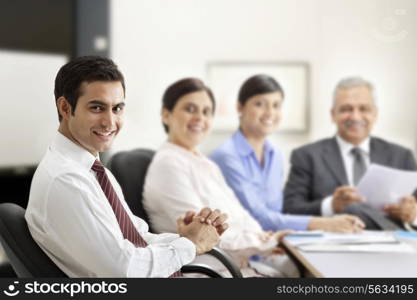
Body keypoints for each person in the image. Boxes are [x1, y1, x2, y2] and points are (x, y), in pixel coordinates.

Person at [25, 56, 228, 278]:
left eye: (117, 108)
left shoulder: (92, 171)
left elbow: (138, 237)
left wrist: (186, 238)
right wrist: (190, 245)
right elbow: (125, 269)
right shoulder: (65, 180)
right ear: (65, 107)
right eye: (97, 108)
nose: (110, 122)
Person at [143, 77, 298, 278]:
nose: (200, 118)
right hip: (210, 271)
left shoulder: (205, 164)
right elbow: (203, 234)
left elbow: (240, 215)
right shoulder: (169, 163)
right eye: (190, 109)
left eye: (206, 112)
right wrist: (264, 241)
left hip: (236, 266)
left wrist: (263, 238)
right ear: (166, 114)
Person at [210, 74, 364, 233]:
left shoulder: (275, 154)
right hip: (241, 251)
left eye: (276, 105)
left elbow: (278, 212)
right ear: (240, 108)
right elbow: (257, 217)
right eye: (260, 104)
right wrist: (324, 223)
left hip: (273, 246)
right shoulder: (226, 157)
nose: (270, 112)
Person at [283, 76, 417, 230]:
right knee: (353, 209)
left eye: (364, 109)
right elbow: (290, 209)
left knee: (355, 209)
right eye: (346, 109)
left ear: (375, 114)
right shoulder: (306, 156)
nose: (355, 116)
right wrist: (332, 206)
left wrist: (413, 215)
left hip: (393, 244)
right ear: (333, 115)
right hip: (333, 245)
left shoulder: (401, 156)